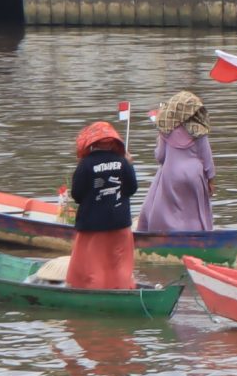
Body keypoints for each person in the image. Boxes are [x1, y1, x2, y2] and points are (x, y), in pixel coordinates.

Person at [65, 121, 139, 291]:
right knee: (120, 264)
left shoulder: (85, 164)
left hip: (93, 226)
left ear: (92, 144)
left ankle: (95, 297)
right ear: (113, 142)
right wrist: (130, 164)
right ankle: (124, 292)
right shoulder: (123, 161)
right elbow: (132, 188)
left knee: (94, 267)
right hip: (120, 223)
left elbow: (77, 194)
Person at [136, 92, 215, 233]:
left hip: (171, 175)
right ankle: (197, 234)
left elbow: (160, 156)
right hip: (194, 175)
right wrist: (210, 178)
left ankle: (170, 233)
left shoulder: (166, 130)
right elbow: (207, 157)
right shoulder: (199, 130)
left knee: (171, 209)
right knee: (194, 209)